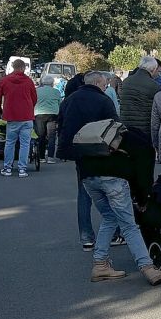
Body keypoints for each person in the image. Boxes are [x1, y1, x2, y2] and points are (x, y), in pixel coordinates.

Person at [70, 72, 161, 286]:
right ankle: (148, 268)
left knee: (110, 218)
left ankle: (100, 264)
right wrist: (143, 198)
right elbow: (143, 177)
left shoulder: (121, 135)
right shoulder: (144, 146)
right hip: (113, 179)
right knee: (129, 225)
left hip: (89, 175)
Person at [58, 72, 122, 250]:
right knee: (109, 191)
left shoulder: (69, 100)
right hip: (100, 150)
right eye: (104, 84)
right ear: (97, 83)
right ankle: (114, 234)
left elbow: (61, 124)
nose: (105, 87)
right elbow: (115, 125)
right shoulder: (103, 100)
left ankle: (86, 237)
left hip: (78, 152)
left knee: (84, 193)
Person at [0, 59, 38, 177]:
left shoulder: (5, 80)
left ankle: (7, 168)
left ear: (13, 67)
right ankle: (22, 169)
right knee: (25, 143)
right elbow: (34, 97)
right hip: (27, 116)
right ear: (24, 68)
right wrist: (29, 107)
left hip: (11, 115)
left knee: (10, 142)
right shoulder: (28, 81)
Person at [119, 56, 161, 137]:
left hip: (126, 126)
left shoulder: (126, 82)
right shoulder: (153, 85)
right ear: (152, 69)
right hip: (144, 129)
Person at [34, 74, 62, 164]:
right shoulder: (56, 92)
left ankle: (41, 157)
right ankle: (50, 157)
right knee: (52, 136)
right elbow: (59, 103)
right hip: (52, 115)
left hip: (39, 114)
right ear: (52, 83)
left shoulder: (37, 91)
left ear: (42, 82)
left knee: (41, 136)